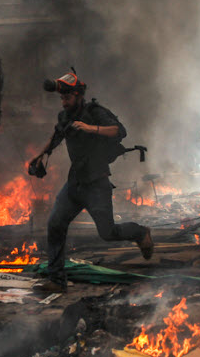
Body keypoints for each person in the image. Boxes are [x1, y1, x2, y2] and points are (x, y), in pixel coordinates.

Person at [28, 70, 153, 293]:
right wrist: (39, 156)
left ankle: (141, 233)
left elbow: (119, 131)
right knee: (55, 224)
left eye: (67, 98)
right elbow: (55, 138)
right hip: (75, 183)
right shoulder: (64, 117)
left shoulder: (95, 112)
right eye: (61, 98)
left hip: (97, 184)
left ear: (78, 95)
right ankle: (57, 281)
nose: (64, 102)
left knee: (107, 233)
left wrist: (90, 128)